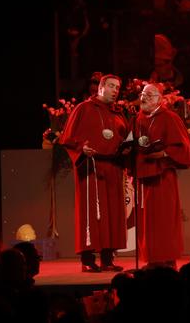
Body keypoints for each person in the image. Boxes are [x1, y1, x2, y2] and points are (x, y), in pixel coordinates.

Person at [59, 74, 129, 272]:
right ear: (100, 87)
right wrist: (82, 149)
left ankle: (107, 259)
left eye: (118, 87)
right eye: (111, 86)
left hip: (113, 167)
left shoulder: (118, 113)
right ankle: (87, 260)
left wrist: (126, 150)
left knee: (112, 213)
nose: (115, 90)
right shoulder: (83, 108)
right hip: (90, 166)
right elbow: (67, 138)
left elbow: (125, 137)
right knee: (90, 212)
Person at [134, 82, 190, 267]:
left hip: (163, 176)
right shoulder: (137, 119)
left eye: (150, 95)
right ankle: (152, 259)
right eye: (143, 94)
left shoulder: (170, 117)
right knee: (147, 220)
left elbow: (183, 146)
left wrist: (163, 153)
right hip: (143, 176)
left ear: (159, 99)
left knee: (164, 218)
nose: (145, 98)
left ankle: (167, 259)